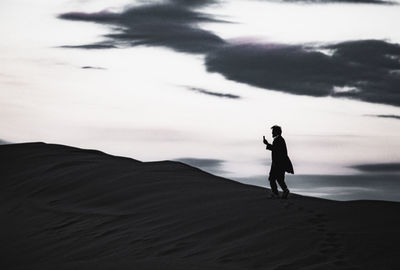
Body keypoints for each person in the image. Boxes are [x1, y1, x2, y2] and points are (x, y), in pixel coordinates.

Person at [263, 125, 294, 199]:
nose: (272, 133)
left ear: (276, 132)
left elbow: (276, 150)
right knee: (279, 179)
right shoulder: (279, 140)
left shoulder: (279, 140)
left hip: (278, 163)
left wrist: (267, 144)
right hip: (279, 163)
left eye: (273, 132)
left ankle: (276, 193)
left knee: (272, 178)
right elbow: (276, 149)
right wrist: (267, 144)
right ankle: (283, 191)